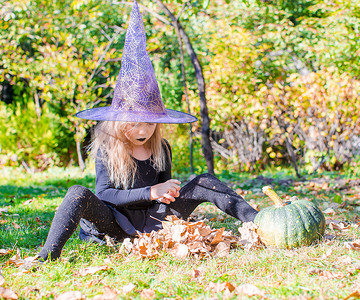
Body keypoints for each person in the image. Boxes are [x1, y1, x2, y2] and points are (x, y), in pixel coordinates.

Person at [37, 0, 257, 261]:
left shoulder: (161, 148)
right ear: (119, 122)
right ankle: (48, 254)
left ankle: (260, 219)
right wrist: (150, 192)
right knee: (77, 193)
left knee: (205, 181)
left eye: (150, 122)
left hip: (155, 222)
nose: (143, 130)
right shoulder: (109, 148)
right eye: (135, 123)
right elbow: (105, 194)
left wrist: (165, 194)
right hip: (117, 223)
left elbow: (163, 190)